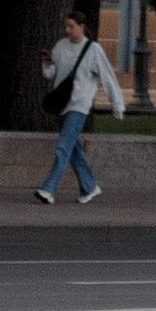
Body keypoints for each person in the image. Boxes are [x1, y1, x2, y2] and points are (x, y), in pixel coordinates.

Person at [34, 11, 125, 204]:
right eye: (66, 26)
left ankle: (48, 189)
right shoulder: (61, 46)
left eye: (71, 26)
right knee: (73, 149)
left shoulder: (93, 50)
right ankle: (90, 187)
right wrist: (46, 63)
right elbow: (50, 74)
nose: (68, 30)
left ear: (82, 27)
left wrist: (117, 103)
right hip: (62, 106)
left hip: (79, 106)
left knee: (63, 148)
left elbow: (107, 77)